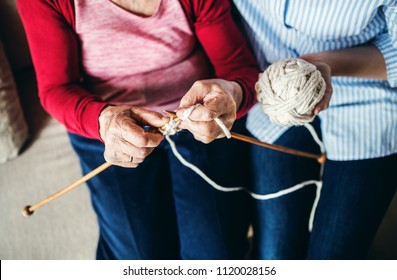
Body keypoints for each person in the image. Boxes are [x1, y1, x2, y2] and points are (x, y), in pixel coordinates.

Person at [17, 0, 259, 259]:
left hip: (197, 116)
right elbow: (56, 89)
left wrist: (232, 95)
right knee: (138, 257)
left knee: (216, 254)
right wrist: (104, 121)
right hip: (105, 126)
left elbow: (238, 69)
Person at [232, 0, 397, 259]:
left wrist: (326, 64)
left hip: (369, 105)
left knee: (333, 257)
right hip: (272, 99)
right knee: (275, 255)